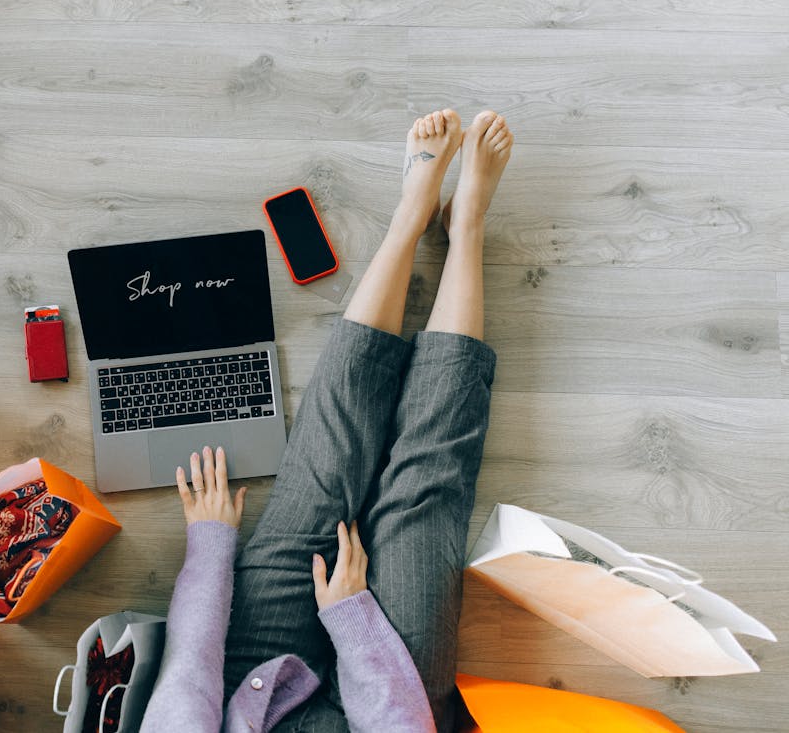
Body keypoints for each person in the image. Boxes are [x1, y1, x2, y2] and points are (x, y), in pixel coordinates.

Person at [139, 108, 513, 733]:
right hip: (391, 716)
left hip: (242, 696)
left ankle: (411, 218)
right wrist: (354, 618)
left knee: (322, 473)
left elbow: (189, 674)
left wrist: (209, 547)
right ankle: (468, 223)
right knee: (425, 493)